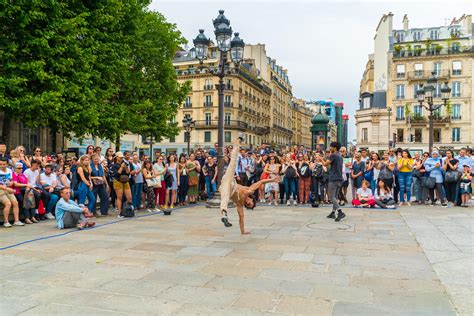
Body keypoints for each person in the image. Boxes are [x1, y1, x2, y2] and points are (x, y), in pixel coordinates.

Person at [219, 138, 280, 234]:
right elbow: (261, 182)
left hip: (225, 188)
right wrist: (272, 179)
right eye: (250, 203)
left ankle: (224, 215)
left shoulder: (239, 205)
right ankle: (236, 144)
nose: (248, 203)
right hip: (230, 181)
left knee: (225, 196)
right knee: (233, 163)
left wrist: (243, 231)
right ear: (252, 199)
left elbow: (241, 219)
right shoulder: (249, 190)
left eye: (247, 205)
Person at [320, 142, 345, 221]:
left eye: (331, 147)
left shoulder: (333, 155)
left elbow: (325, 164)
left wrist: (321, 159)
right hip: (339, 178)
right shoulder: (340, 156)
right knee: (335, 196)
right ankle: (333, 213)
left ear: (334, 148)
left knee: (331, 196)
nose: (330, 148)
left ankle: (340, 212)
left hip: (333, 178)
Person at [0, 158, 24, 227]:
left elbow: (11, 180)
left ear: (7, 164)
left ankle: (16, 221)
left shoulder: (9, 171)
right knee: (8, 203)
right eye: (0, 164)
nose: (2, 166)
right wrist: (7, 188)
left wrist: (11, 183)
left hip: (8, 189)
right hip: (1, 190)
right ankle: (6, 222)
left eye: (4, 164)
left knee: (15, 202)